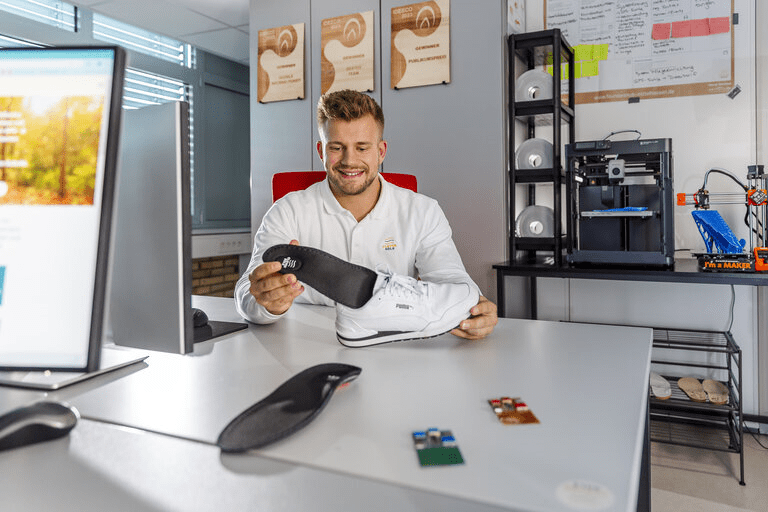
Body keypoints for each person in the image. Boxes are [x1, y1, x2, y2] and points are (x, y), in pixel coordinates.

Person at [234, 89, 497, 340]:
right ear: (321, 151)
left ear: (381, 152)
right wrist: (266, 303)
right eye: (336, 147)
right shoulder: (287, 210)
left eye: (362, 148)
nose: (349, 160)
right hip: (302, 345)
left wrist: (474, 309)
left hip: (392, 347)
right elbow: (247, 290)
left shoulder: (423, 211)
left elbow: (453, 282)